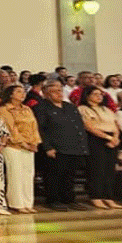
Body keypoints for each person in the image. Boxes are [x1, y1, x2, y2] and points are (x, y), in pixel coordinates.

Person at [34, 80, 89, 211]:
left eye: (60, 90)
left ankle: (69, 199)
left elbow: (79, 126)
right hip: (55, 147)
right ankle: (53, 200)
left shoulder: (70, 107)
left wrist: (82, 145)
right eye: (54, 91)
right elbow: (40, 129)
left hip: (74, 147)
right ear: (46, 93)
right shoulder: (41, 107)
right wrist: (47, 147)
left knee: (70, 176)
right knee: (54, 176)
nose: (59, 93)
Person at [0, 84, 40, 213]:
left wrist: (35, 142)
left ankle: (28, 203)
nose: (22, 94)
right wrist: (23, 143)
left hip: (29, 145)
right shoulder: (4, 109)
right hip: (13, 146)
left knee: (28, 174)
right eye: (19, 92)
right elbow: (10, 129)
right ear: (11, 94)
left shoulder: (27, 109)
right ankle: (16, 203)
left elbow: (34, 126)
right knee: (15, 174)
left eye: (23, 92)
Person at [77, 86, 122, 209]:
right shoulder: (83, 108)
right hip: (96, 140)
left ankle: (108, 197)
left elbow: (116, 125)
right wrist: (108, 138)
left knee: (109, 170)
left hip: (112, 140)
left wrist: (116, 138)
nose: (99, 96)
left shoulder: (106, 109)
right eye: (95, 94)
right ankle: (96, 197)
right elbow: (89, 127)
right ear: (87, 96)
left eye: (100, 94)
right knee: (97, 169)